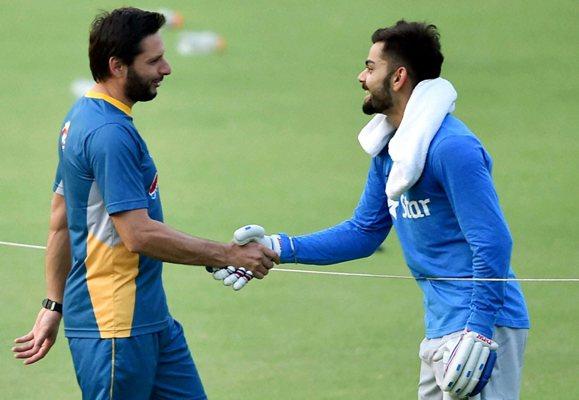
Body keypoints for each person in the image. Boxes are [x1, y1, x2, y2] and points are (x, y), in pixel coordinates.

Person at [238, 21, 530, 399]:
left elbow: (492, 241)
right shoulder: (393, 149)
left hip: (482, 328)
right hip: (443, 327)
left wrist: (478, 329)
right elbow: (365, 231)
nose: (361, 76)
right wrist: (278, 246)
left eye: (371, 67)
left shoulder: (451, 148)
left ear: (398, 77)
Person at [12, 7, 278, 400]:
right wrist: (227, 254)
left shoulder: (81, 117)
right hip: (116, 331)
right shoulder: (108, 134)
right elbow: (137, 235)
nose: (166, 68)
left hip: (151, 322)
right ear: (118, 66)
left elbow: (60, 218)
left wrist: (54, 302)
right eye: (153, 61)